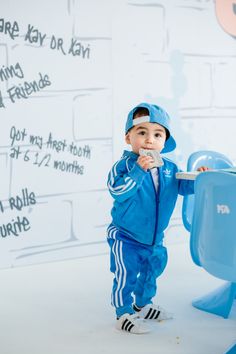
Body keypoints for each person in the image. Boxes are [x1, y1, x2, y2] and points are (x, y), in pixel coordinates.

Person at [106, 102, 208, 334]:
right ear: (128, 138)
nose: (150, 140)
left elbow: (181, 186)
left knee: (153, 269)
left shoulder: (170, 167)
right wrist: (138, 170)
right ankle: (123, 313)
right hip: (126, 236)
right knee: (126, 273)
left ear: (164, 140)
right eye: (142, 133)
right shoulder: (123, 167)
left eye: (157, 134)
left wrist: (199, 180)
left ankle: (142, 305)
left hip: (155, 238)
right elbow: (118, 192)